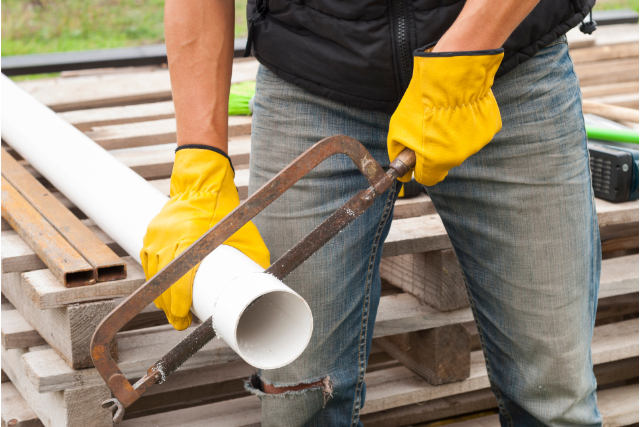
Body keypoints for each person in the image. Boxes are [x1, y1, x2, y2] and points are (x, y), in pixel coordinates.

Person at [141, 0, 602, 425]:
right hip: (312, 80)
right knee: (300, 398)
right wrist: (200, 161)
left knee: (553, 397)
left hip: (503, 68)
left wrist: (465, 55)